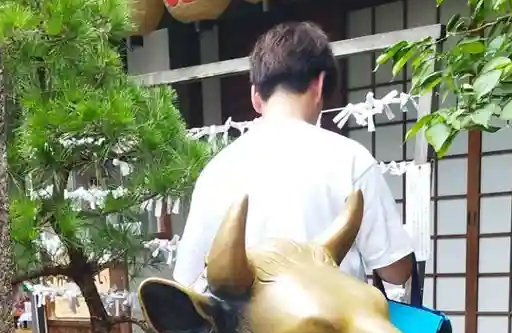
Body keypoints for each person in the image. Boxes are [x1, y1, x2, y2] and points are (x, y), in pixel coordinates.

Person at [172, 22, 415, 298]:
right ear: (319, 85)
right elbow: (396, 271)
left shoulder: (217, 171)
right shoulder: (350, 160)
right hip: (331, 323)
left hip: (241, 327)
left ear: (255, 96)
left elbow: (187, 280)